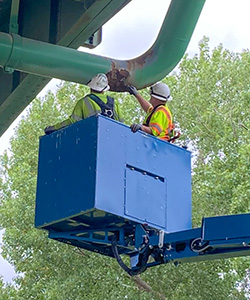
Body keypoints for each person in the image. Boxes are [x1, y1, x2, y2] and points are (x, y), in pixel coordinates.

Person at [44, 73, 123, 135]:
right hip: (110, 137)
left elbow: (72, 121)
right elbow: (121, 124)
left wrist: (54, 128)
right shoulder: (114, 102)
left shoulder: (84, 102)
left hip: (91, 136)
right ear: (104, 90)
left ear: (91, 87)